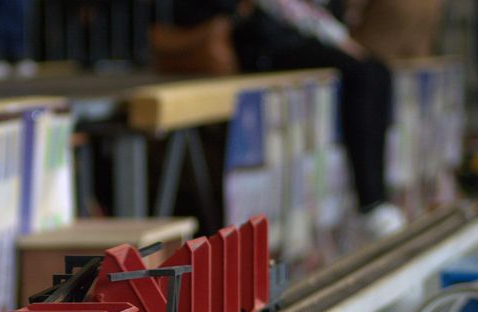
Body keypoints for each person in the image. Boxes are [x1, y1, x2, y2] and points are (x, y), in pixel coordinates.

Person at [173, 0, 405, 237]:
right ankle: (371, 203)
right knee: (363, 73)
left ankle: (375, 198)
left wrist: (339, 38)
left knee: (378, 71)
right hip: (264, 42)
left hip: (292, 33)